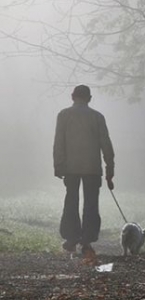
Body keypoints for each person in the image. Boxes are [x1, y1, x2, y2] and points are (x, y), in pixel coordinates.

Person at [53, 85, 115, 256]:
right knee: (91, 204)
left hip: (71, 168)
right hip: (92, 168)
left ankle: (71, 238)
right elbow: (106, 144)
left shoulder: (64, 115)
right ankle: (87, 240)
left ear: (72, 97)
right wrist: (110, 170)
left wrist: (58, 165)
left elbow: (59, 142)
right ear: (89, 98)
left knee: (71, 201)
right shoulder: (97, 117)